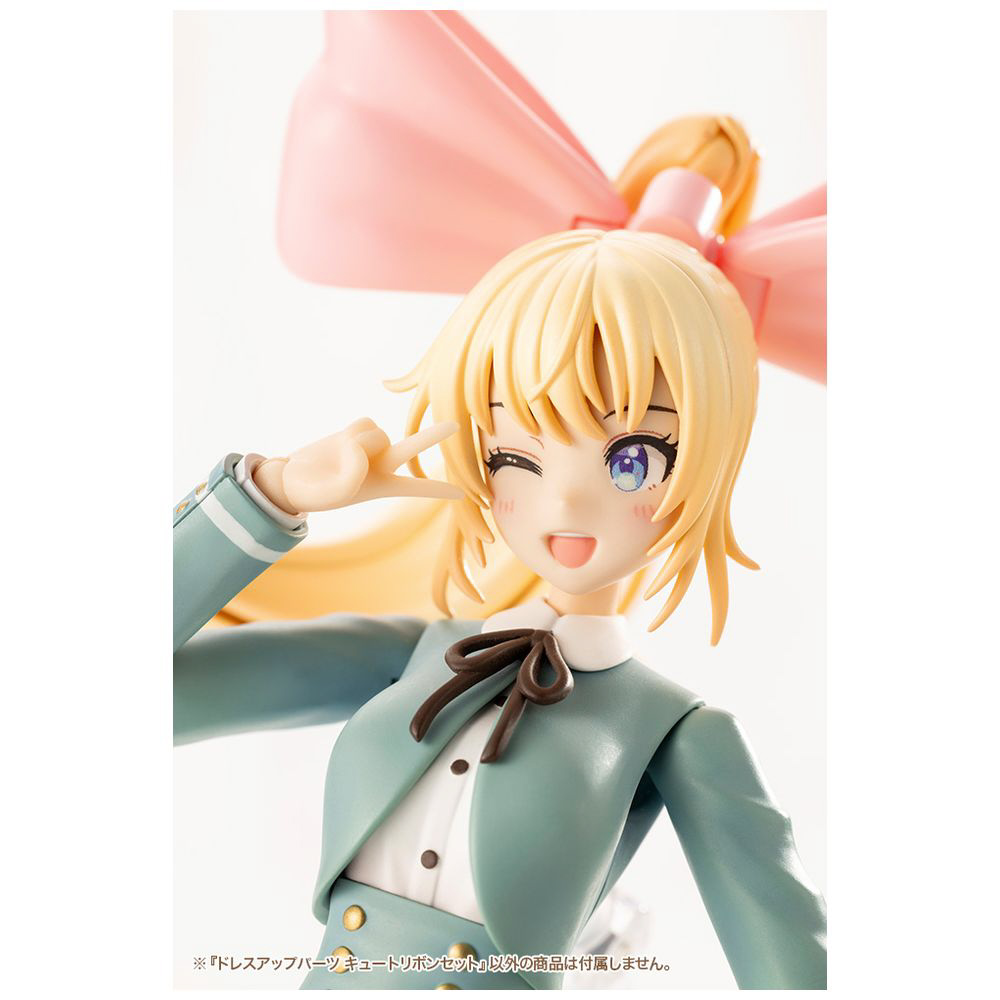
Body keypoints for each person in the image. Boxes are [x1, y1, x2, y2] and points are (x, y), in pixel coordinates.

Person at [174, 219, 827, 989]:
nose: (566, 501)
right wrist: (269, 495)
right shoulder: (417, 656)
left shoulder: (674, 730)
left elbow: (787, 962)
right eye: (516, 456)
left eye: (631, 459)